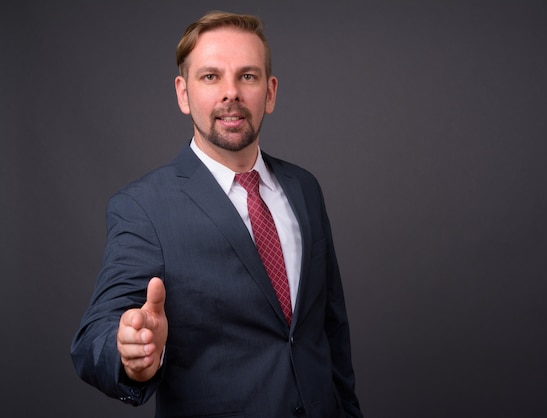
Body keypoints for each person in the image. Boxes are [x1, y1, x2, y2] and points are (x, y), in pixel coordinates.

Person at [70, 10, 363, 418]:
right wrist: (129, 353)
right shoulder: (143, 208)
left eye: (248, 76)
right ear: (183, 93)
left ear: (270, 91)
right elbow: (92, 341)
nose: (231, 93)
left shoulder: (305, 189)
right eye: (210, 77)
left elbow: (331, 331)